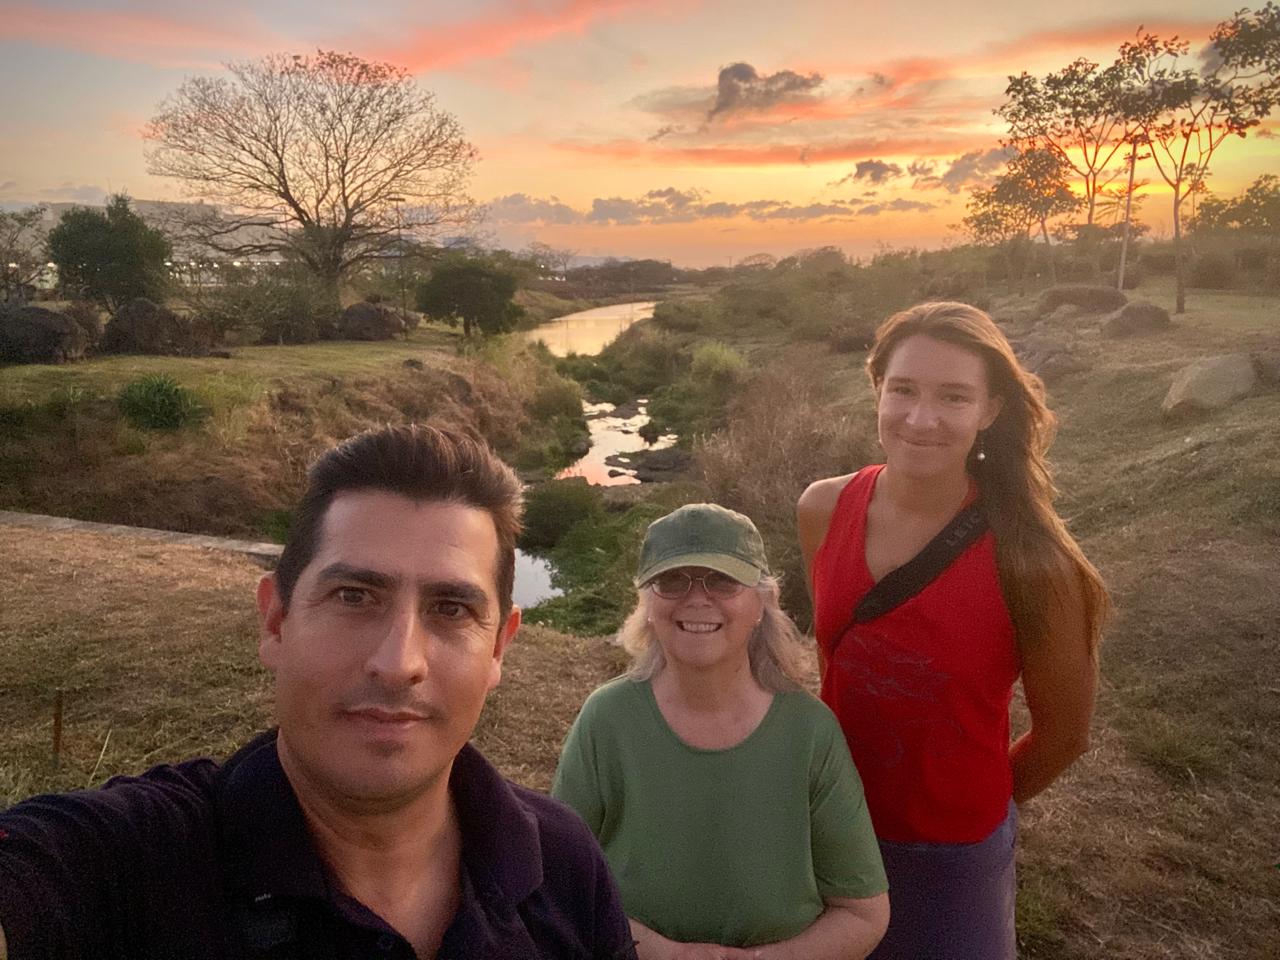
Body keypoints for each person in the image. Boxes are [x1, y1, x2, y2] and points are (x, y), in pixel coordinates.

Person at [0, 424, 637, 960]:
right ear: (276, 622)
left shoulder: (563, 864)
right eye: (354, 597)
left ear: (499, 647)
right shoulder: (126, 866)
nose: (398, 663)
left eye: (451, 609)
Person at [796, 301, 1109, 959]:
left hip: (950, 857)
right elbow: (835, 661)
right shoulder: (822, 508)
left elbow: (1065, 735)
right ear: (877, 387)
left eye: (953, 396)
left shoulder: (1033, 561)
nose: (921, 417)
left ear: (990, 409)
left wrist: (972, 808)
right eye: (903, 389)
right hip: (825, 825)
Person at [553, 503, 889, 960]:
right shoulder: (606, 720)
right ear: (647, 604)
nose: (696, 598)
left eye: (722, 580)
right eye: (672, 581)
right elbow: (559, 881)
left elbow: (862, 912)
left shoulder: (810, 732)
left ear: (762, 603)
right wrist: (668, 955)